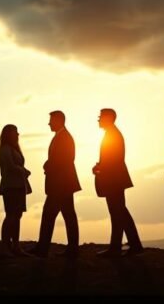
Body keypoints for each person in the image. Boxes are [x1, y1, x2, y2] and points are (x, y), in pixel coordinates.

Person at [30, 111, 81, 258]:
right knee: (66, 215)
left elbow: (64, 160)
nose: (49, 123)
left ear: (58, 120)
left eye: (51, 120)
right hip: (63, 184)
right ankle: (70, 248)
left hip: (60, 184)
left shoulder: (64, 137)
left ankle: (43, 248)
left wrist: (48, 166)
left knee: (51, 215)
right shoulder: (61, 136)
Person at [93, 108, 143, 257]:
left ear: (108, 118)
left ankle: (116, 247)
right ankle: (134, 244)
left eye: (100, 116)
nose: (98, 119)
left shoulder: (112, 135)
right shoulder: (112, 134)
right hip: (115, 178)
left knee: (117, 212)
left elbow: (113, 160)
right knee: (120, 211)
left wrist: (100, 169)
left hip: (113, 179)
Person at [0, 124, 32, 257]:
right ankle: (5, 247)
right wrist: (23, 171)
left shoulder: (13, 148)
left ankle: (16, 245)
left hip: (19, 186)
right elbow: (10, 166)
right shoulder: (5, 149)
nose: (18, 135)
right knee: (11, 215)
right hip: (11, 186)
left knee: (17, 215)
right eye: (15, 132)